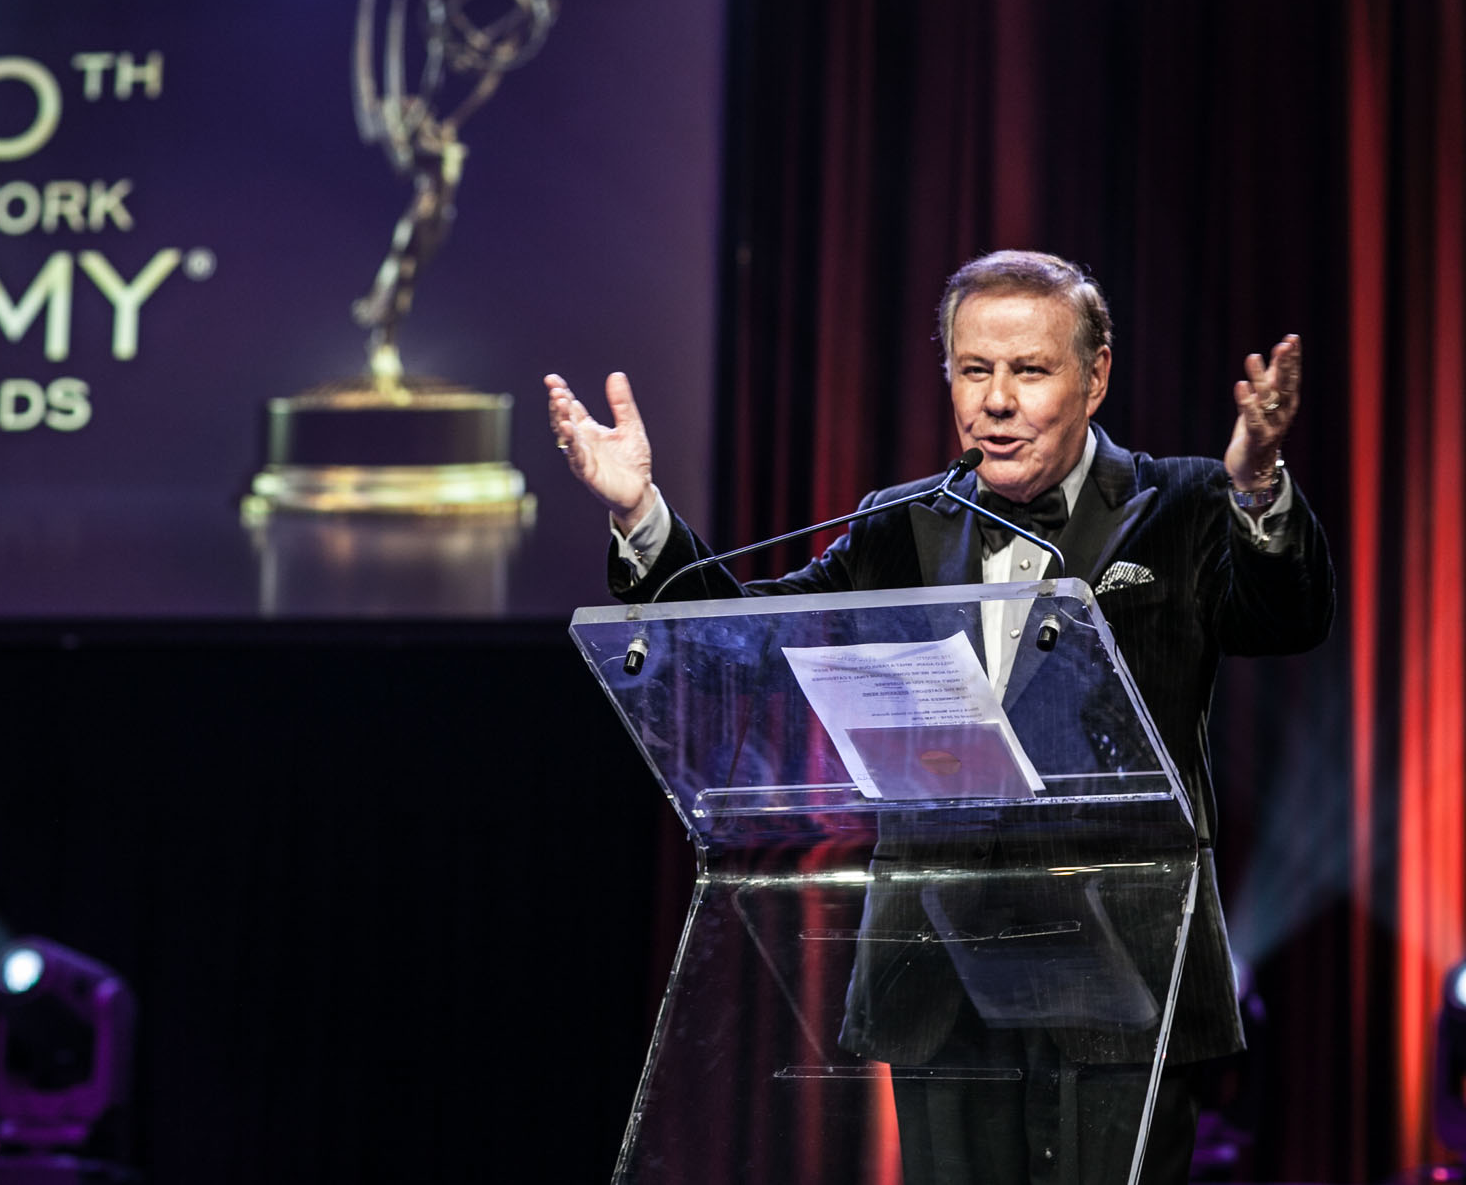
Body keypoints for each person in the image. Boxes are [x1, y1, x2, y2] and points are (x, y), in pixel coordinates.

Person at [544, 251, 1334, 1185]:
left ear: (1095, 376)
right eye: (973, 369)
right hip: (939, 983)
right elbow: (743, 646)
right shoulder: (901, 524)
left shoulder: (1183, 501)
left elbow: (1287, 618)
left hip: (1123, 983)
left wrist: (1257, 488)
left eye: (1029, 370)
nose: (996, 401)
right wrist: (641, 513)